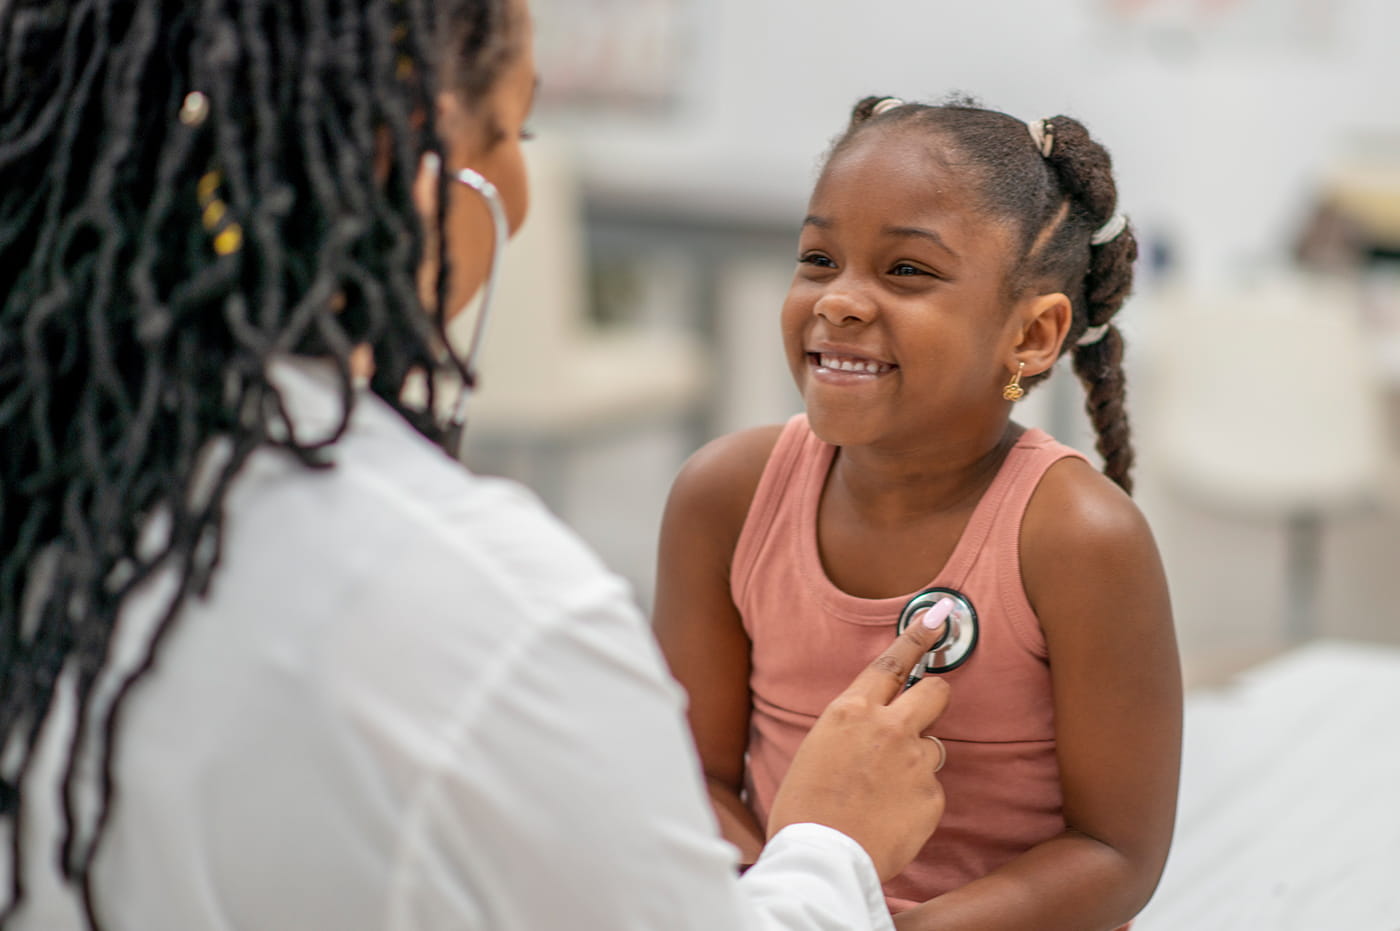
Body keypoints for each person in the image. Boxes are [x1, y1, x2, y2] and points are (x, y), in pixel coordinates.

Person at [0, 4, 955, 929]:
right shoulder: (502, 623)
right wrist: (832, 845)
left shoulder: (58, 484)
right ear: (407, 163)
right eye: (512, 131)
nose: (522, 189)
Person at [654, 95, 1183, 930]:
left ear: (1034, 336)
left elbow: (1116, 853)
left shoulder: (1079, 538)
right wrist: (797, 897)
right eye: (818, 258)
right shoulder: (724, 496)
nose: (839, 301)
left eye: (907, 271)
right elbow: (692, 780)